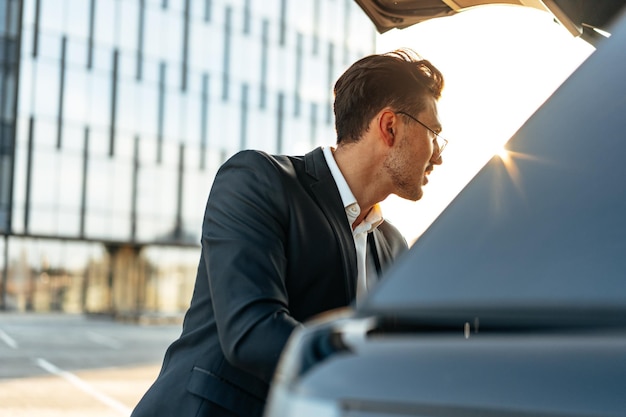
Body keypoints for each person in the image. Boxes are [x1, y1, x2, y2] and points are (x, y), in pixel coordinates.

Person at [131, 48, 446, 417]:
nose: (438, 154)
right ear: (389, 126)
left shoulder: (393, 245)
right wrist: (366, 371)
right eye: (433, 133)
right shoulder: (257, 180)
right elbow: (252, 333)